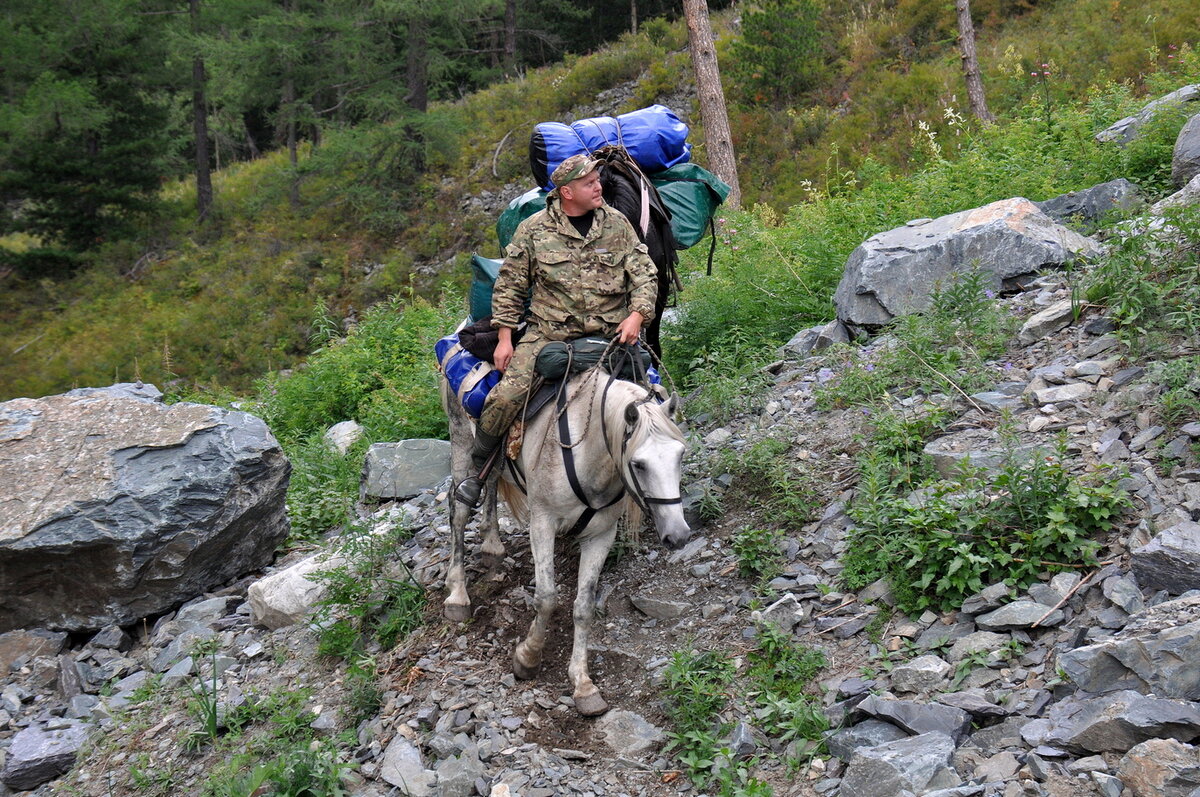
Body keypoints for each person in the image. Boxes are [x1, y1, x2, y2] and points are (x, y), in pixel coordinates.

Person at [454, 154, 658, 508]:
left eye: (598, 180)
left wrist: (637, 315)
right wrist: (504, 339)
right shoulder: (534, 229)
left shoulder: (617, 224)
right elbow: (510, 286)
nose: (599, 187)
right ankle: (479, 471)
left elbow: (644, 274)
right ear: (566, 191)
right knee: (505, 398)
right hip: (548, 334)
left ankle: (658, 471)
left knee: (652, 397)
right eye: (589, 183)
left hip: (610, 334)